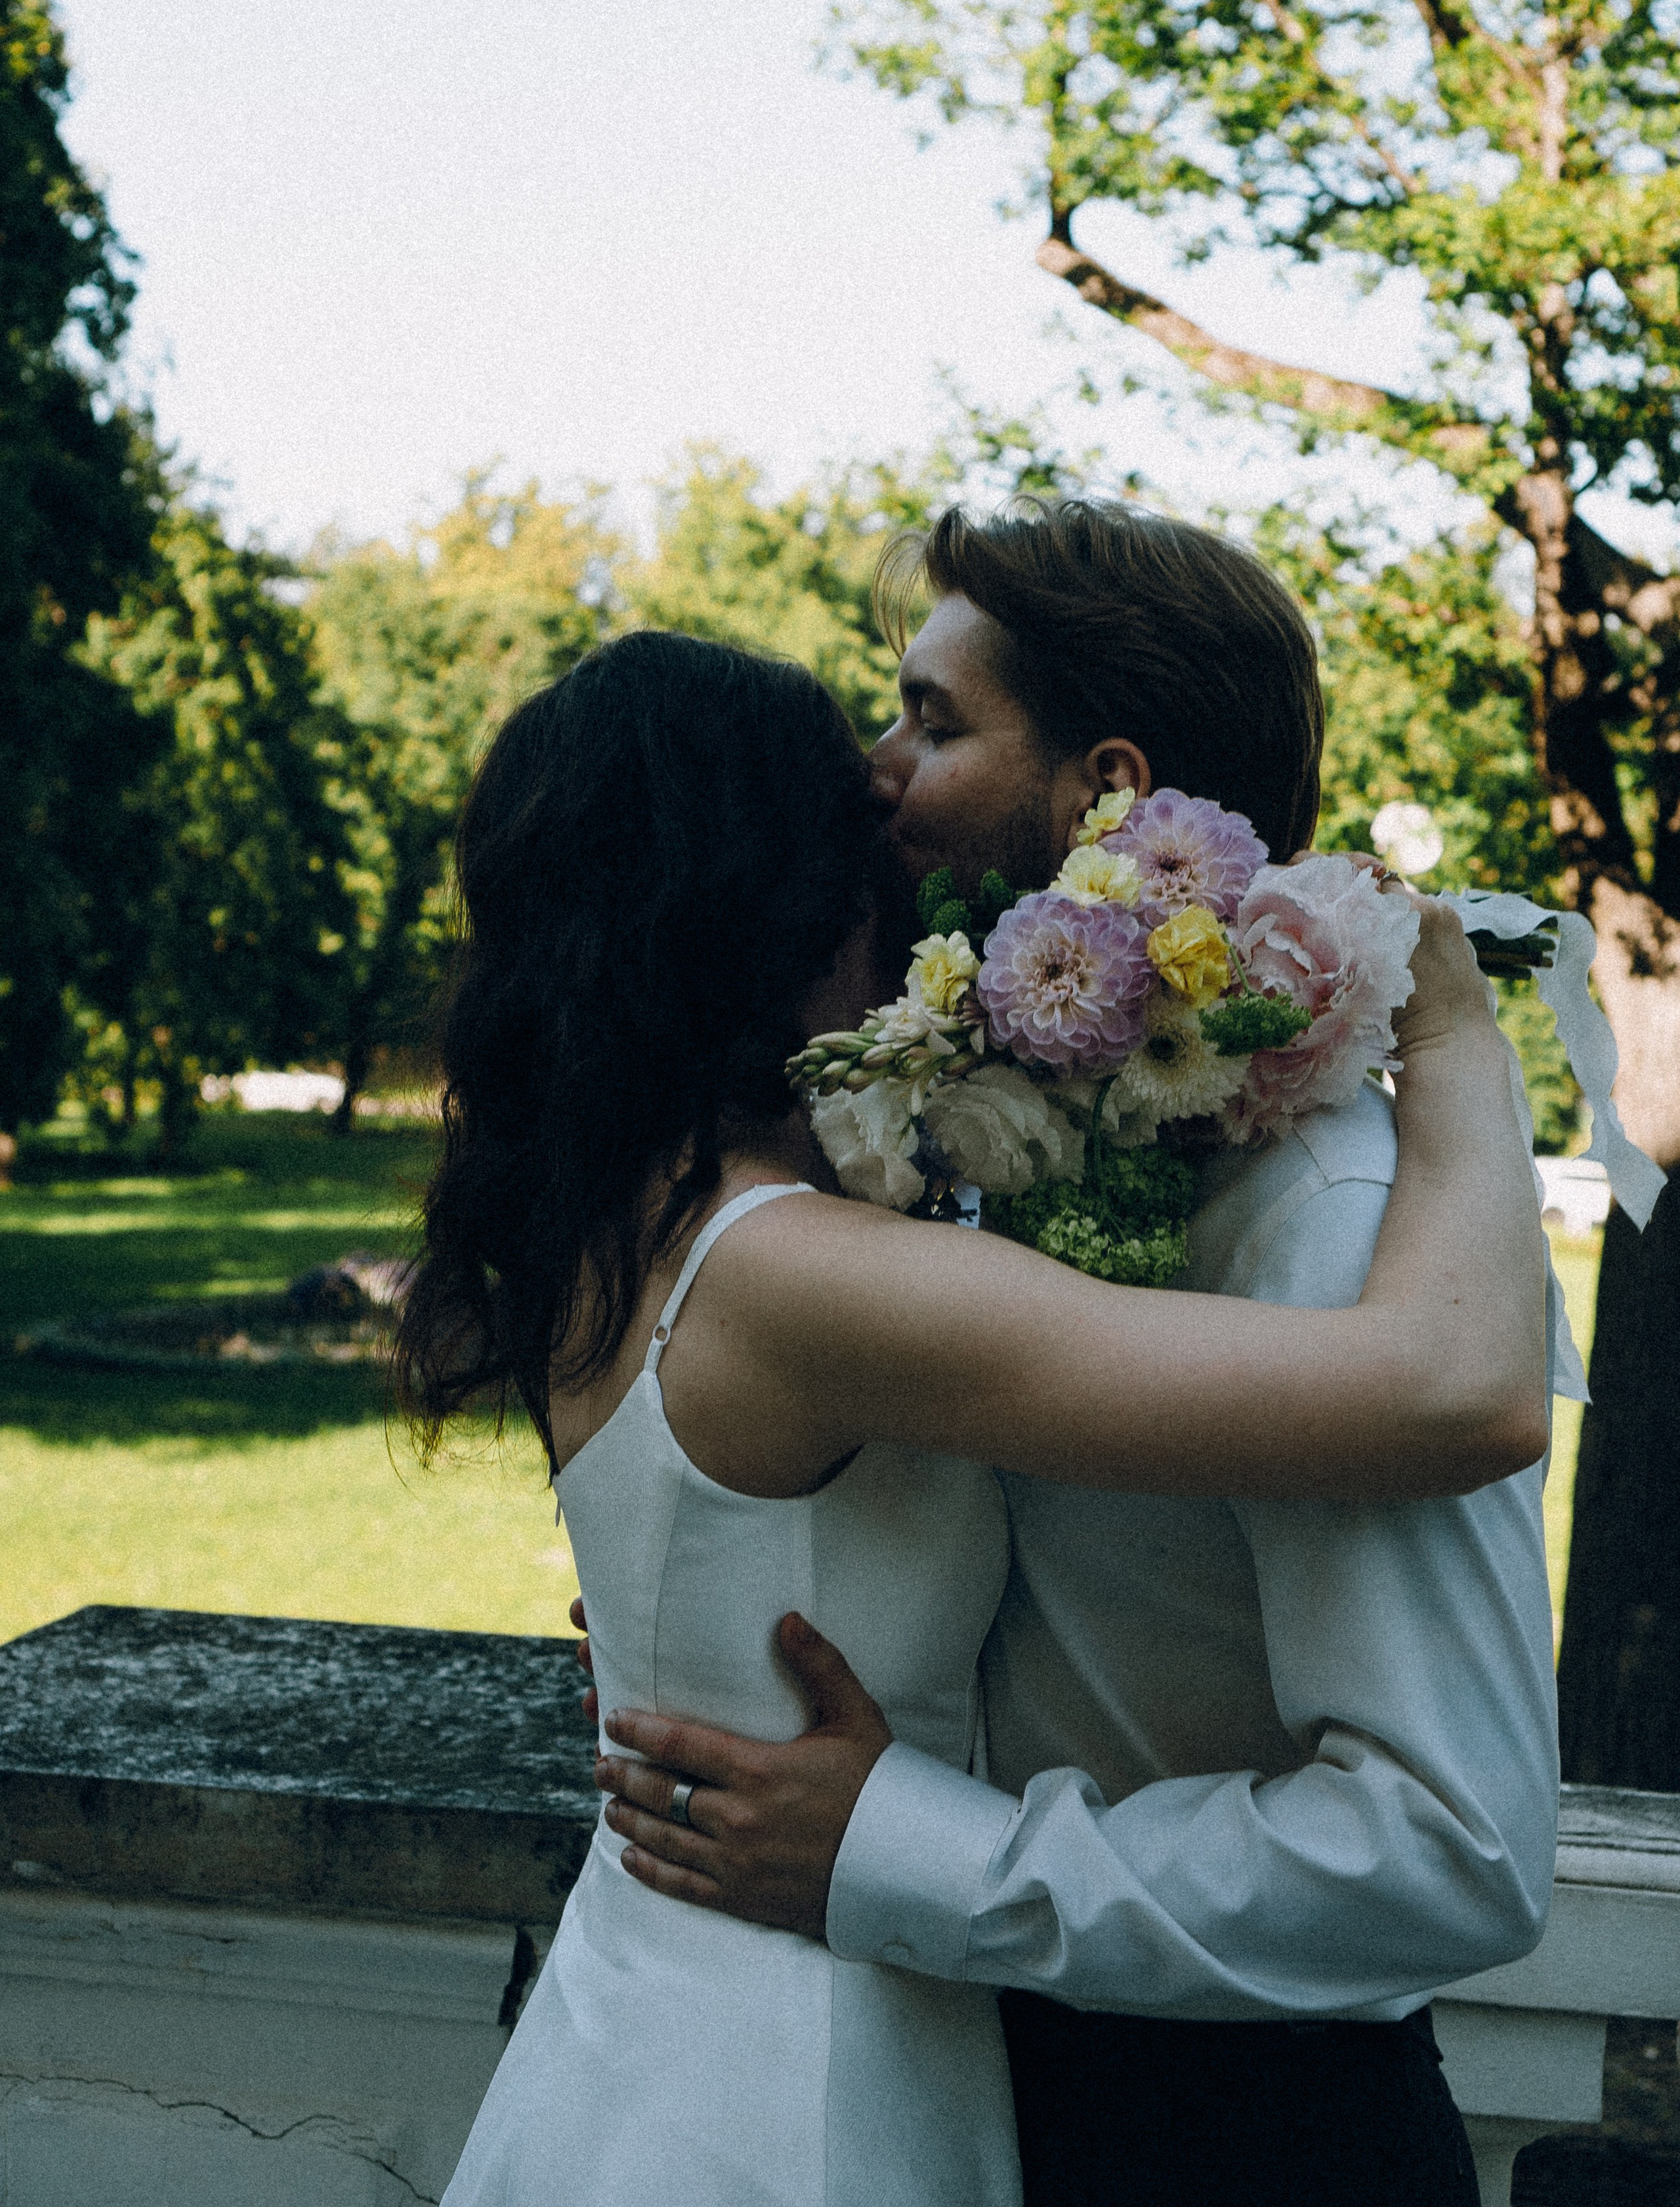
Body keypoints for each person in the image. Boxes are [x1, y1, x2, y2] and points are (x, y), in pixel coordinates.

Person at [406, 623, 1548, 2207]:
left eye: (922, 726)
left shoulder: (634, 1214)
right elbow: (1457, 1389)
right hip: (795, 2067)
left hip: (667, 2003)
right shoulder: (802, 1276)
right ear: (786, 892)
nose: (898, 822)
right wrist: (1451, 1038)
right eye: (857, 817)